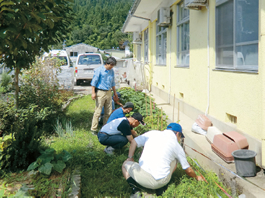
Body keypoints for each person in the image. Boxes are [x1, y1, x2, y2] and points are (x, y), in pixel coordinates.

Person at [122, 123, 203, 197]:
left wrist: (130, 157)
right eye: (180, 137)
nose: (179, 139)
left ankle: (135, 190)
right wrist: (196, 177)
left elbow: (133, 142)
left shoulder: (152, 133)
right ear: (178, 134)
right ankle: (161, 189)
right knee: (175, 160)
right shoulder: (177, 146)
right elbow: (188, 170)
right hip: (160, 182)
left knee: (125, 164)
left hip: (142, 178)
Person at [90, 57, 118, 134]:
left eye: (113, 66)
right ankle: (93, 129)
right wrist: (93, 93)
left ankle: (105, 128)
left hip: (109, 92)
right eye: (111, 66)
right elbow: (93, 83)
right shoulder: (99, 70)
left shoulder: (111, 71)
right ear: (107, 63)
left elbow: (113, 83)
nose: (111, 67)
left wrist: (115, 93)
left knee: (108, 112)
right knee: (98, 112)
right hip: (100, 92)